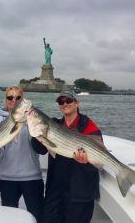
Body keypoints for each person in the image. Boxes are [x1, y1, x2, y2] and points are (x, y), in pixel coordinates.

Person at [32, 90, 104, 223]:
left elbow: (98, 163)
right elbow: (40, 150)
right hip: (56, 190)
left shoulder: (89, 127)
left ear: (77, 102)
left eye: (68, 100)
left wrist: (85, 161)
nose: (64, 104)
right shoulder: (54, 124)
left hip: (80, 193)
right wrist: (37, 135)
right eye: (61, 101)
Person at [0, 86, 44, 223]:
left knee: (38, 216)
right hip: (7, 179)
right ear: (5, 100)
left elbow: (40, 148)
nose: (14, 100)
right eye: (10, 97)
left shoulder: (32, 119)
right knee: (9, 218)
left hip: (32, 177)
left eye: (18, 98)